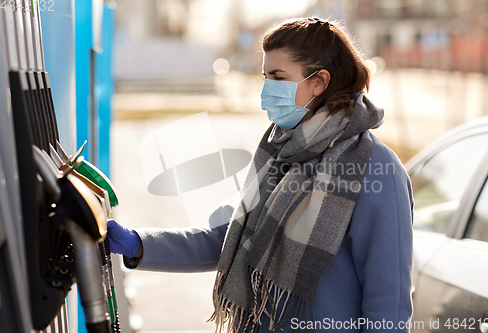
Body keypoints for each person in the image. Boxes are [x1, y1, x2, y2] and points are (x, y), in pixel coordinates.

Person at [107, 17, 414, 333]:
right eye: (266, 77)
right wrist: (137, 243)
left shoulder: (377, 167)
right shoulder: (280, 152)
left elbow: (388, 305)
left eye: (279, 77)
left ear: (319, 82)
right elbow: (229, 239)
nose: (268, 89)